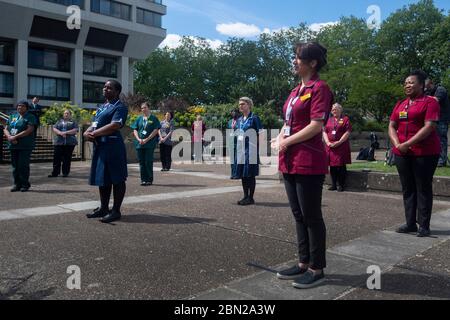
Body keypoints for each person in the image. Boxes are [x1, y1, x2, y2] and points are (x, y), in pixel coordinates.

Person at [274, 42, 333, 289]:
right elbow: (287, 122)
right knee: (298, 215)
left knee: (311, 216)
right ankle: (302, 262)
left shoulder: (320, 88)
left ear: (312, 63)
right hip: (289, 160)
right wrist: (279, 138)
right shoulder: (295, 91)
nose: (294, 61)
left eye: (298, 58)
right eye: (295, 57)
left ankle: (316, 268)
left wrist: (287, 141)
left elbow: (316, 125)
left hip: (308, 160)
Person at [389, 70, 441, 238]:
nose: (407, 85)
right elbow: (391, 125)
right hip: (402, 152)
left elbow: (429, 126)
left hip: (424, 152)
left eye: (411, 82)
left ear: (421, 85)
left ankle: (424, 225)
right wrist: (398, 144)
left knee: (423, 187)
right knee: (407, 188)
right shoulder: (400, 104)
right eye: (405, 83)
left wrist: (408, 144)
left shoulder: (430, 102)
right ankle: (410, 223)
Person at [83, 80, 128, 223]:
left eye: (109, 88)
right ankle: (103, 208)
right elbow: (94, 124)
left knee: (117, 178)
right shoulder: (102, 107)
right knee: (103, 178)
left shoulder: (120, 107)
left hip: (113, 147)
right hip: (100, 147)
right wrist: (87, 133)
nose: (105, 89)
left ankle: (116, 211)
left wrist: (94, 134)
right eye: (104, 87)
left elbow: (115, 125)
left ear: (117, 92)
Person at [233, 97, 262, 206]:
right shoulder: (239, 120)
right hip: (241, 149)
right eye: (239, 104)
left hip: (251, 149)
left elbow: (261, 133)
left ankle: (251, 197)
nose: (240, 106)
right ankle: (245, 196)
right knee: (243, 173)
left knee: (250, 174)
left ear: (249, 105)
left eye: (243, 104)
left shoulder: (254, 118)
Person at [3, 100, 37, 192]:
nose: (19, 107)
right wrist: (9, 137)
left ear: (26, 108)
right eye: (18, 106)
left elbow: (29, 130)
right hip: (13, 145)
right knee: (15, 166)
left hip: (25, 145)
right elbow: (6, 129)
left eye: (22, 106)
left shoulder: (30, 117)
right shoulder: (12, 116)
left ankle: (25, 184)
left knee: (23, 165)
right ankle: (16, 184)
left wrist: (15, 137)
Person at [323, 103, 352, 192]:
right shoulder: (328, 120)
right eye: (333, 110)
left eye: (336, 109)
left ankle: (341, 185)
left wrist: (339, 142)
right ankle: (334, 184)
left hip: (341, 146)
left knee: (341, 166)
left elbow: (347, 132)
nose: (334, 111)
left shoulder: (345, 119)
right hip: (330, 146)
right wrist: (327, 142)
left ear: (340, 110)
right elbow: (324, 131)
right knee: (332, 166)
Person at [131, 102, 160, 186]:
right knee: (141, 162)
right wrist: (138, 139)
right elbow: (135, 129)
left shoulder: (153, 118)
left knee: (148, 161)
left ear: (149, 108)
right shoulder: (139, 119)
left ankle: (149, 179)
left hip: (149, 144)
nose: (143, 109)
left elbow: (156, 130)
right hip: (139, 143)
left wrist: (147, 139)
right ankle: (143, 180)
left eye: (145, 107)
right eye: (142, 108)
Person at [425, 78, 449, 167]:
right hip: (433, 119)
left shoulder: (440, 90)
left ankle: (442, 161)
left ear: (432, 84)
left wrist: (422, 97)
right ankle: (433, 158)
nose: (427, 89)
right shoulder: (428, 92)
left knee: (441, 139)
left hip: (442, 119)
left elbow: (435, 100)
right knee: (431, 139)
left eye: (428, 87)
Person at [48, 109, 79, 178]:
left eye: (67, 113)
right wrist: (60, 133)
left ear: (70, 115)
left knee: (67, 158)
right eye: (65, 113)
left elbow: (75, 130)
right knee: (56, 158)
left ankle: (65, 173)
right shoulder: (59, 121)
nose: (66, 114)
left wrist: (65, 132)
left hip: (70, 143)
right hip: (58, 142)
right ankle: (55, 173)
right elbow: (54, 128)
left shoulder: (73, 122)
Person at [227, 109, 240, 179]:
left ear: (238, 113)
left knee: (237, 159)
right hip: (231, 142)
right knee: (232, 159)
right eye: (232, 112)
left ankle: (237, 174)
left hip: (238, 142)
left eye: (235, 112)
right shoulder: (229, 122)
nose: (233, 113)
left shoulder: (240, 121)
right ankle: (232, 173)